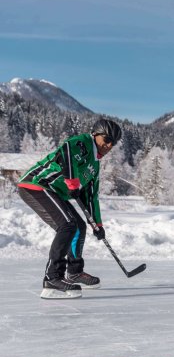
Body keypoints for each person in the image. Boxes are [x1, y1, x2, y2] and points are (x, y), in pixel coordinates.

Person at [17, 118, 122, 299]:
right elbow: (66, 152)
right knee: (67, 225)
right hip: (36, 185)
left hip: (55, 192)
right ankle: (52, 278)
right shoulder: (83, 143)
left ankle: (74, 272)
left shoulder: (95, 165)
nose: (109, 145)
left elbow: (90, 196)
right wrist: (72, 182)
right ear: (96, 135)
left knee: (79, 226)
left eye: (113, 143)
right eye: (107, 139)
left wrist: (97, 224)